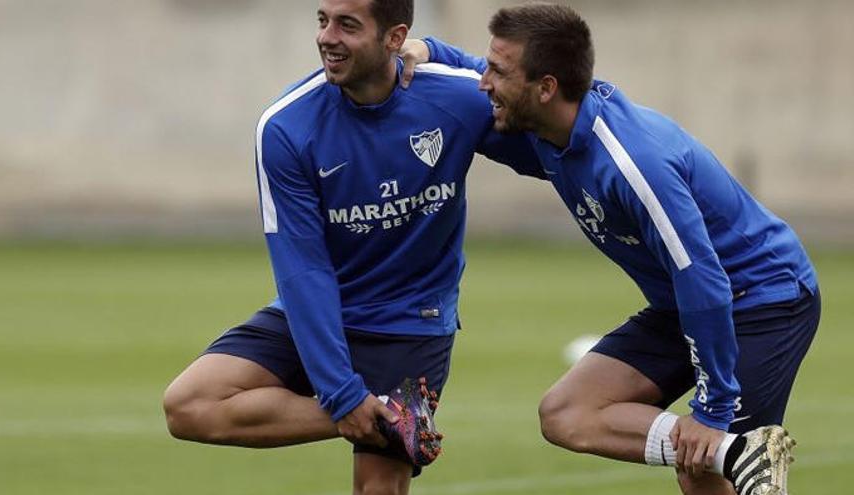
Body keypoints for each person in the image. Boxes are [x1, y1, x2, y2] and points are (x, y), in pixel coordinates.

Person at [400, 3, 819, 495]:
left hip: (763, 298)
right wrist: (427, 49)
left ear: (546, 87)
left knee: (699, 465)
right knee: (567, 413)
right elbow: (470, 70)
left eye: (498, 72)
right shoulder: (548, 127)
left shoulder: (633, 162)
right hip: (683, 303)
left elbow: (700, 276)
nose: (483, 83)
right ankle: (738, 452)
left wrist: (714, 410)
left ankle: (735, 450)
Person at [161, 1, 543, 494]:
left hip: (412, 320)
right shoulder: (287, 126)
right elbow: (303, 270)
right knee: (190, 405)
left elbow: (538, 128)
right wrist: (343, 397)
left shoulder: (453, 98)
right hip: (327, 307)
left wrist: (439, 51)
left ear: (394, 37)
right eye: (322, 21)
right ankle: (396, 418)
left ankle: (391, 416)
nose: (326, 37)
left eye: (347, 25)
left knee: (376, 491)